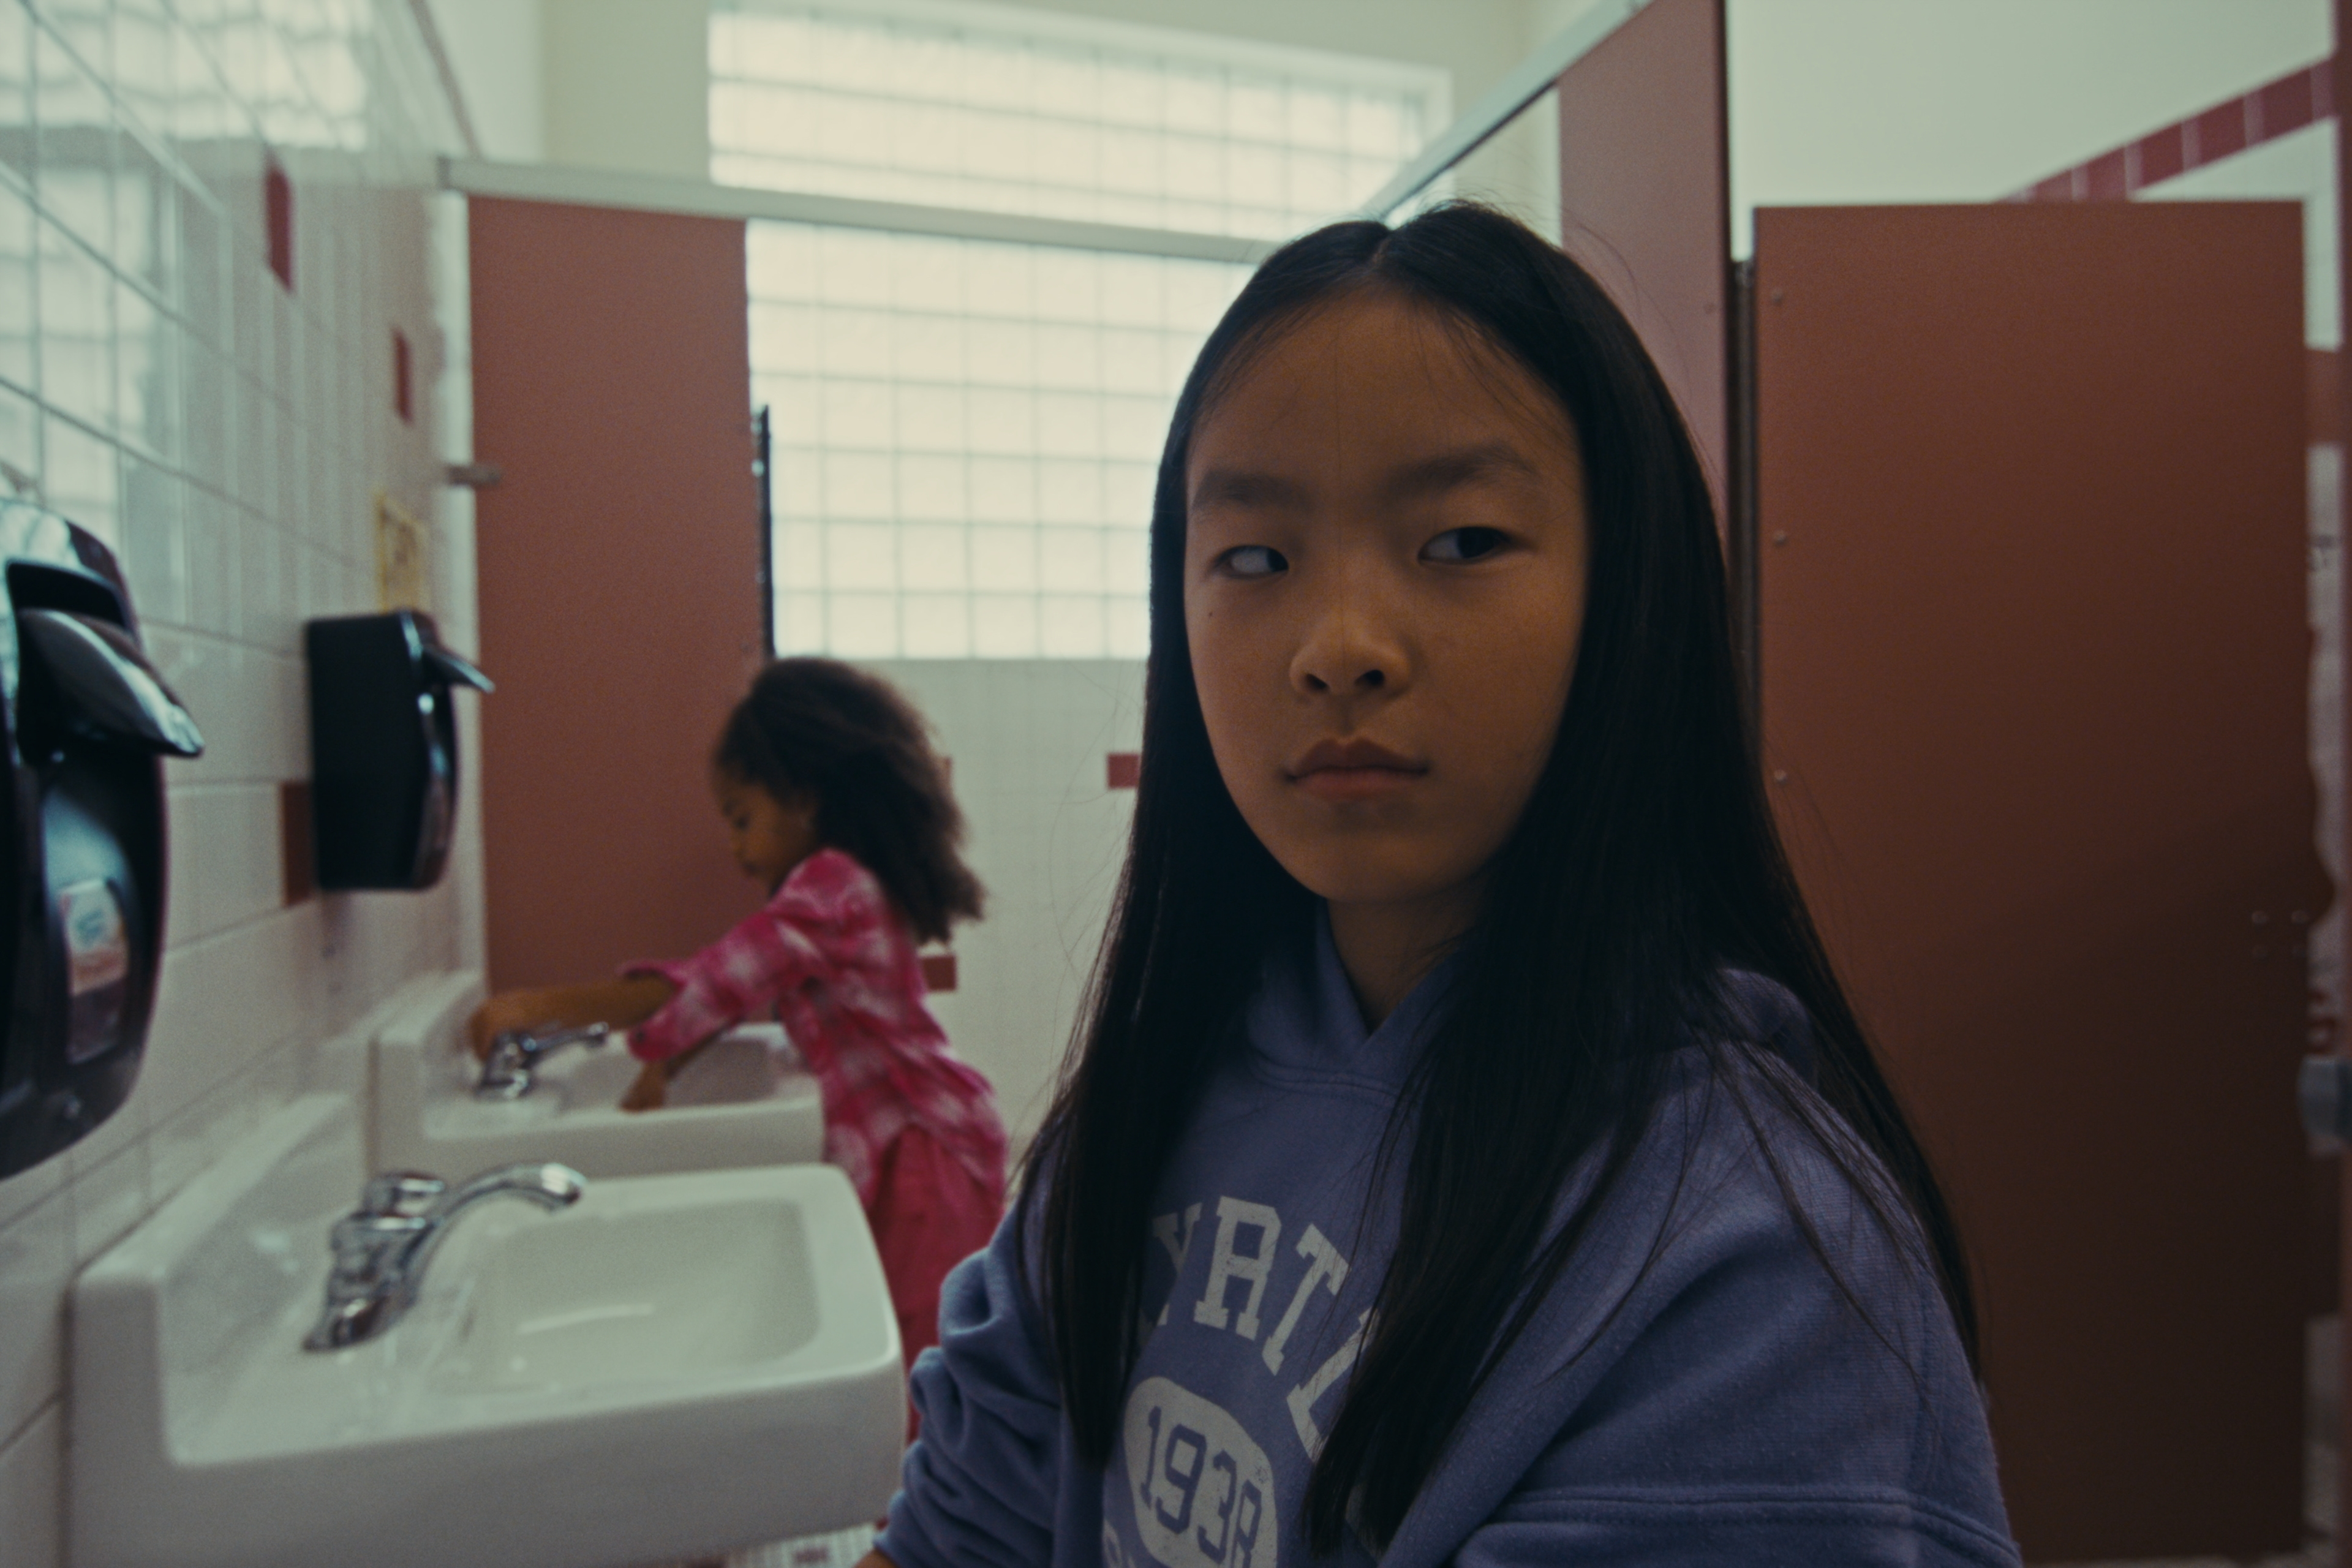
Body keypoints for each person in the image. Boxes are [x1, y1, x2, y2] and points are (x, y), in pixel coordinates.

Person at [864, 202, 2019, 1568]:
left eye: (1462, 542)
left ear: (1629, 593)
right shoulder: (1144, 1104)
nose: (1338, 647)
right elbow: (959, 1527)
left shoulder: (1748, 1252)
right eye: (1255, 557)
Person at [469, 657, 1006, 1379]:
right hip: (928, 1149)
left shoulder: (832, 886)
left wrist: (532, 1010)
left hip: (925, 1160)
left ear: (803, 800)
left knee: (918, 1365)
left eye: (742, 818)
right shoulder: (843, 887)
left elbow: (717, 980)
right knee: (920, 1355)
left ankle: (923, 1460)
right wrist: (666, 1060)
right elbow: (733, 989)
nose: (734, 846)